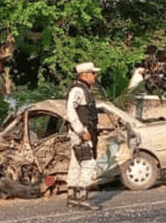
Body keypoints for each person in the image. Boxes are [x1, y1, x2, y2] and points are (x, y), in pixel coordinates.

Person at [65, 62, 102, 211]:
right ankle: (81, 199)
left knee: (76, 164)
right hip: (81, 133)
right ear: (85, 75)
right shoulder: (78, 91)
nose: (95, 76)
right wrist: (81, 131)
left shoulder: (84, 89)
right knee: (88, 164)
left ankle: (72, 198)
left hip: (81, 132)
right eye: (93, 73)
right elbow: (70, 111)